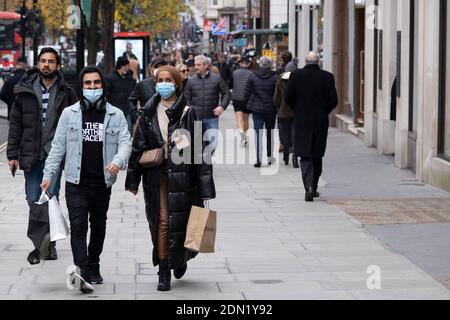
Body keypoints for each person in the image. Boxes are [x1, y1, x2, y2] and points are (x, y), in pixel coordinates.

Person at [40, 65, 131, 293]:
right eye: (88, 84)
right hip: (75, 181)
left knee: (98, 226)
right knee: (78, 227)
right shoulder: (69, 114)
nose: (92, 87)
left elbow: (125, 143)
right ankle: (82, 270)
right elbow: (58, 147)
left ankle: (94, 262)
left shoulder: (115, 114)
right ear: (81, 87)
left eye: (96, 83)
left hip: (102, 182)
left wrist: (117, 162)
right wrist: (48, 174)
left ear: (102, 85)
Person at [125, 65, 215, 292]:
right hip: (158, 175)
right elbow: (138, 147)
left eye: (168, 80)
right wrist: (132, 181)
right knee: (163, 221)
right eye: (160, 80)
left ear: (176, 83)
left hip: (185, 177)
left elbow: (201, 152)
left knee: (184, 222)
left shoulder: (189, 112)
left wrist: (205, 187)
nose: (163, 84)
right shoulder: (147, 112)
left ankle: (182, 258)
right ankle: (163, 269)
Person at [7, 47, 78, 265]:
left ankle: (46, 244)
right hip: (31, 153)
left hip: (54, 154)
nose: (46, 65)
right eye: (43, 61)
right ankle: (47, 236)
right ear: (38, 63)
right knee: (32, 197)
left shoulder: (66, 91)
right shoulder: (24, 90)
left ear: (58, 66)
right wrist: (12, 154)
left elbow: (76, 123)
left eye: (51, 62)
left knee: (50, 197)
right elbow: (15, 124)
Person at [285, 52, 338, 202]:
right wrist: (324, 111)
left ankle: (308, 186)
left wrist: (298, 109)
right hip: (320, 121)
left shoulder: (296, 75)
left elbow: (288, 97)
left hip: (302, 120)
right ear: (318, 62)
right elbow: (333, 100)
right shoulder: (328, 77)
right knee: (317, 154)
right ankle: (314, 186)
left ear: (305, 62)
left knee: (304, 155)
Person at [184, 55, 231, 155]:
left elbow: (226, 93)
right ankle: (202, 166)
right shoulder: (191, 81)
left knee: (213, 144)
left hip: (211, 118)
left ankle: (205, 160)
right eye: (195, 65)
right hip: (196, 119)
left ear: (206, 66)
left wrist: (222, 106)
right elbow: (187, 98)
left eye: (199, 65)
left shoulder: (217, 79)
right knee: (197, 146)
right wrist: (189, 110)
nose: (196, 67)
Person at [244, 56, 278, 168]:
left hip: (257, 109)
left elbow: (247, 92)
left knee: (258, 133)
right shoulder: (275, 77)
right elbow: (278, 94)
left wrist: (246, 106)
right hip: (271, 109)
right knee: (270, 133)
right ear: (269, 65)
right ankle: (269, 157)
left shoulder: (253, 76)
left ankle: (258, 158)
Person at [127, 57, 167, 130]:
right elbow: (131, 101)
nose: (159, 69)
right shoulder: (142, 85)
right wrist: (136, 115)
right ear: (151, 69)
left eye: (162, 67)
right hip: (147, 125)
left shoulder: (169, 84)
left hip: (165, 124)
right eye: (156, 67)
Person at [274, 62, 299, 168]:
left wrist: (278, 107)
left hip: (283, 112)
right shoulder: (299, 80)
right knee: (295, 134)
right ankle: (295, 157)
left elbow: (277, 97)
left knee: (284, 134)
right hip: (296, 112)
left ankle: (285, 154)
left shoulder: (280, 80)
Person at [105, 57, 137, 133]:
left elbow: (133, 90)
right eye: (127, 66)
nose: (129, 68)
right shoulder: (110, 78)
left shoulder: (128, 78)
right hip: (115, 110)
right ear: (123, 66)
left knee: (128, 130)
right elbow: (107, 95)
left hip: (127, 109)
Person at [231, 57, 253, 147]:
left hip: (237, 98)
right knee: (246, 119)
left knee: (239, 119)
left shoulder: (234, 73)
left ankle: (242, 137)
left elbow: (231, 85)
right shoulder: (252, 74)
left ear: (240, 64)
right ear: (248, 64)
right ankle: (245, 136)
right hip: (247, 99)